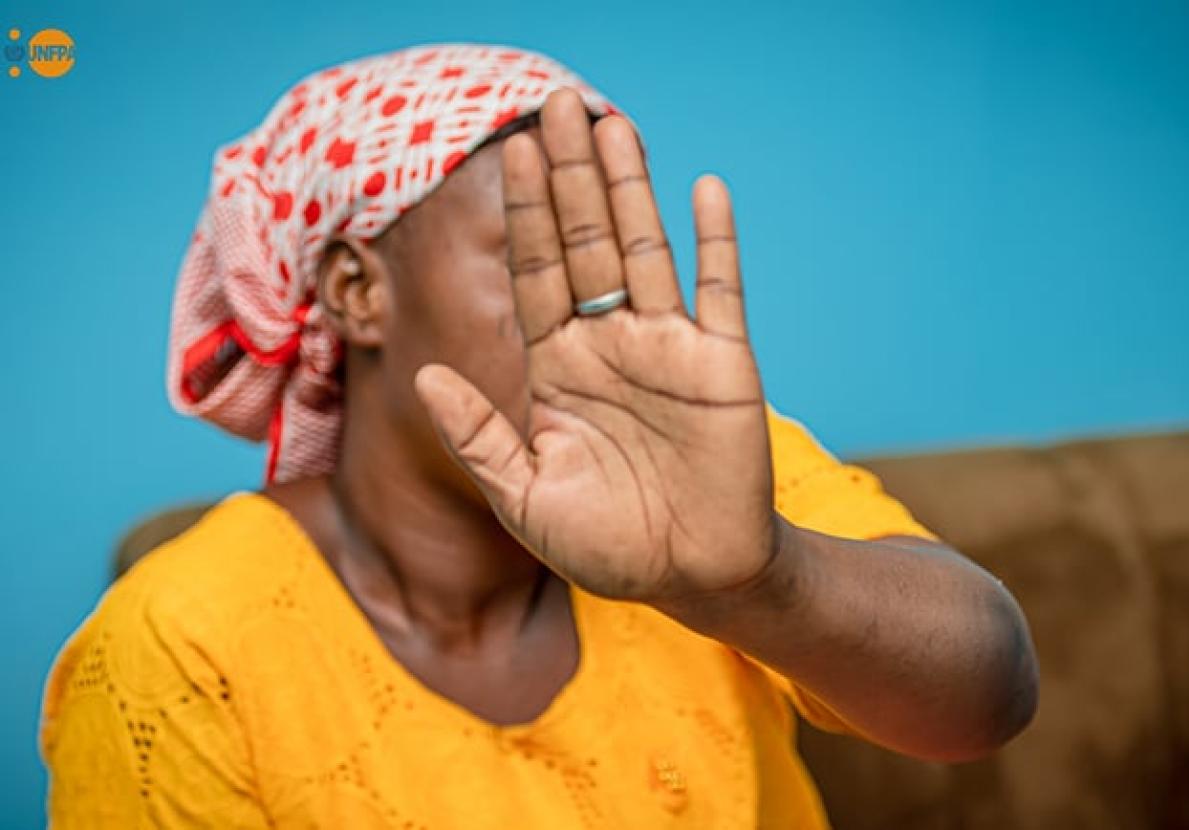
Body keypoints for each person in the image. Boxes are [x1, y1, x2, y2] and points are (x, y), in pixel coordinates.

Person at [40, 44, 1038, 828]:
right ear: (356, 289)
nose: (600, 318)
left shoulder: (700, 478)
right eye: (538, 256)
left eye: (610, 262)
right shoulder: (179, 647)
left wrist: (750, 582)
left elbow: (986, 697)